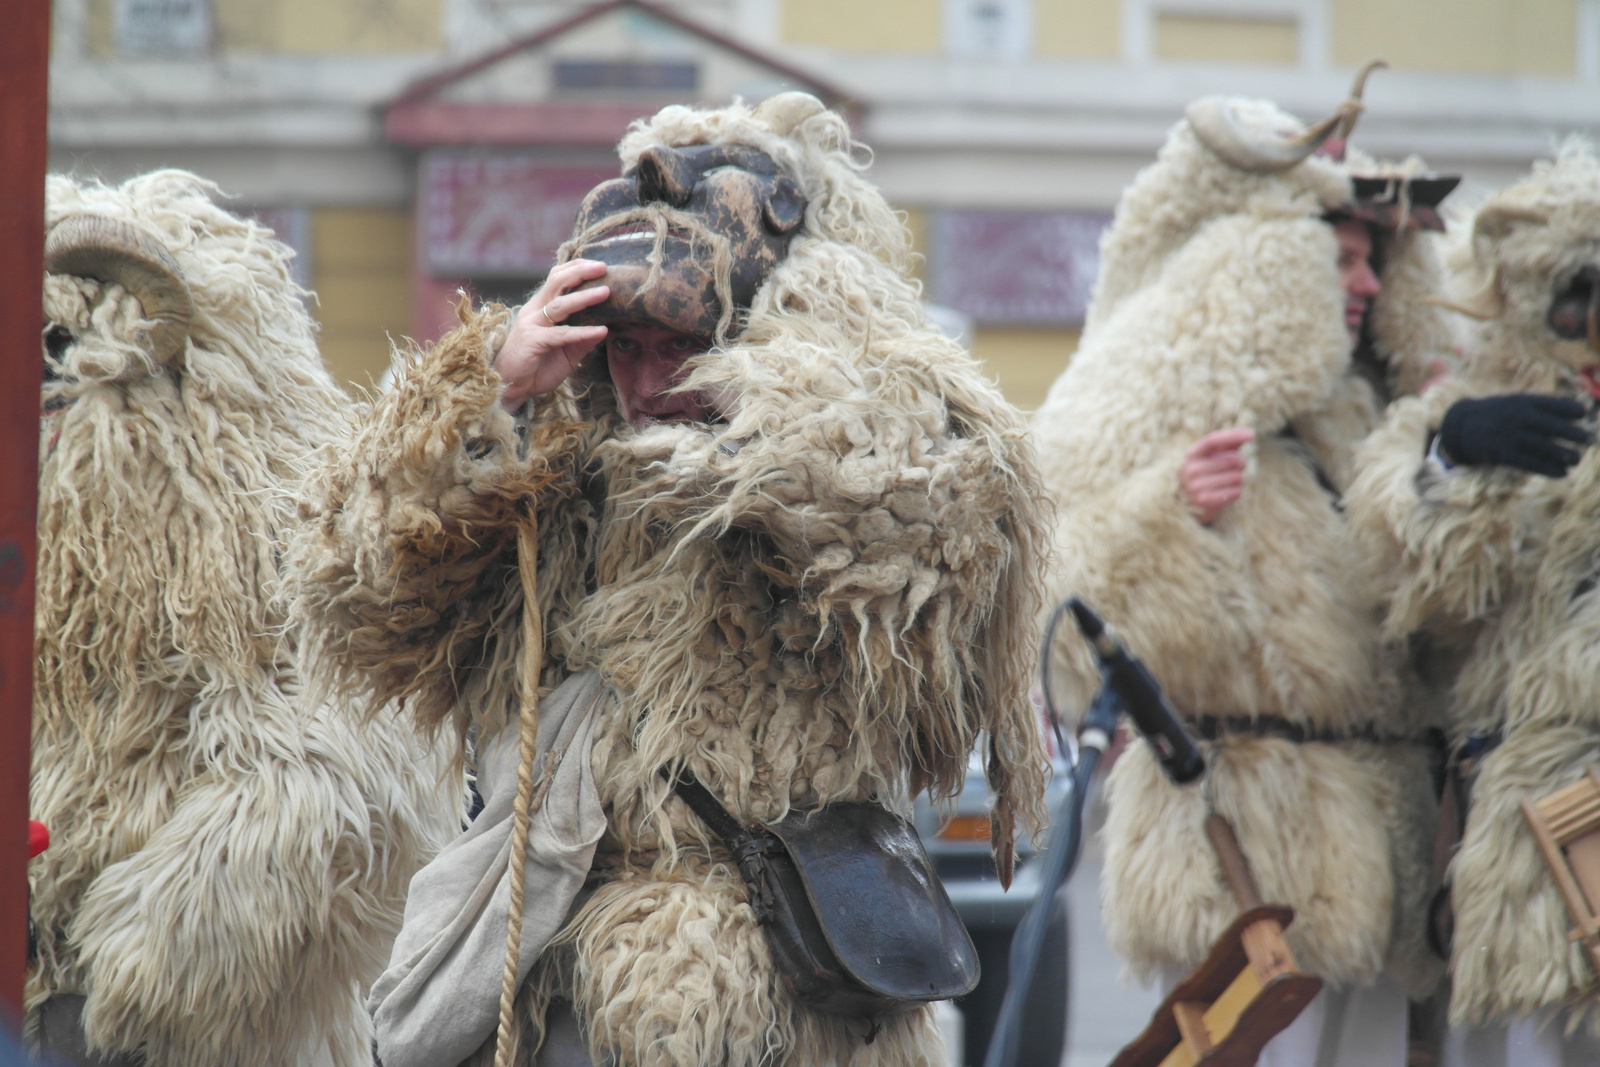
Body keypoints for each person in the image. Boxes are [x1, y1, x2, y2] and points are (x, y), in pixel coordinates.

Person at [287, 93, 1051, 1067]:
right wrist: (491, 389)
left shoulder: (869, 454)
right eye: (627, 348)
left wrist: (769, 422)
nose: (648, 385)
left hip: (787, 974)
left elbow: (916, 525)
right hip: (564, 950)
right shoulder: (558, 474)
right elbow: (366, 588)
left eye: (679, 348)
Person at [1030, 77, 1461, 1065]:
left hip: (1383, 840)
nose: (1363, 283)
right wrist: (1168, 514)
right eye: (1341, 257)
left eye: (1369, 262)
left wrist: (1442, 465)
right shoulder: (1133, 395)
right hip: (1234, 848)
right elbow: (1061, 630)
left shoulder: (1365, 415)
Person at [29, 171, 458, 1067]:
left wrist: (147, 961)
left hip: (183, 1026)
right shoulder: (45, 556)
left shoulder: (262, 536)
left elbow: (331, 773)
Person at [1344, 140, 1600, 1067]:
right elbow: (1413, 596)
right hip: (1519, 824)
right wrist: (1458, 458)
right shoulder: (1450, 415)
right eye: (1575, 290)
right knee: (1513, 1043)